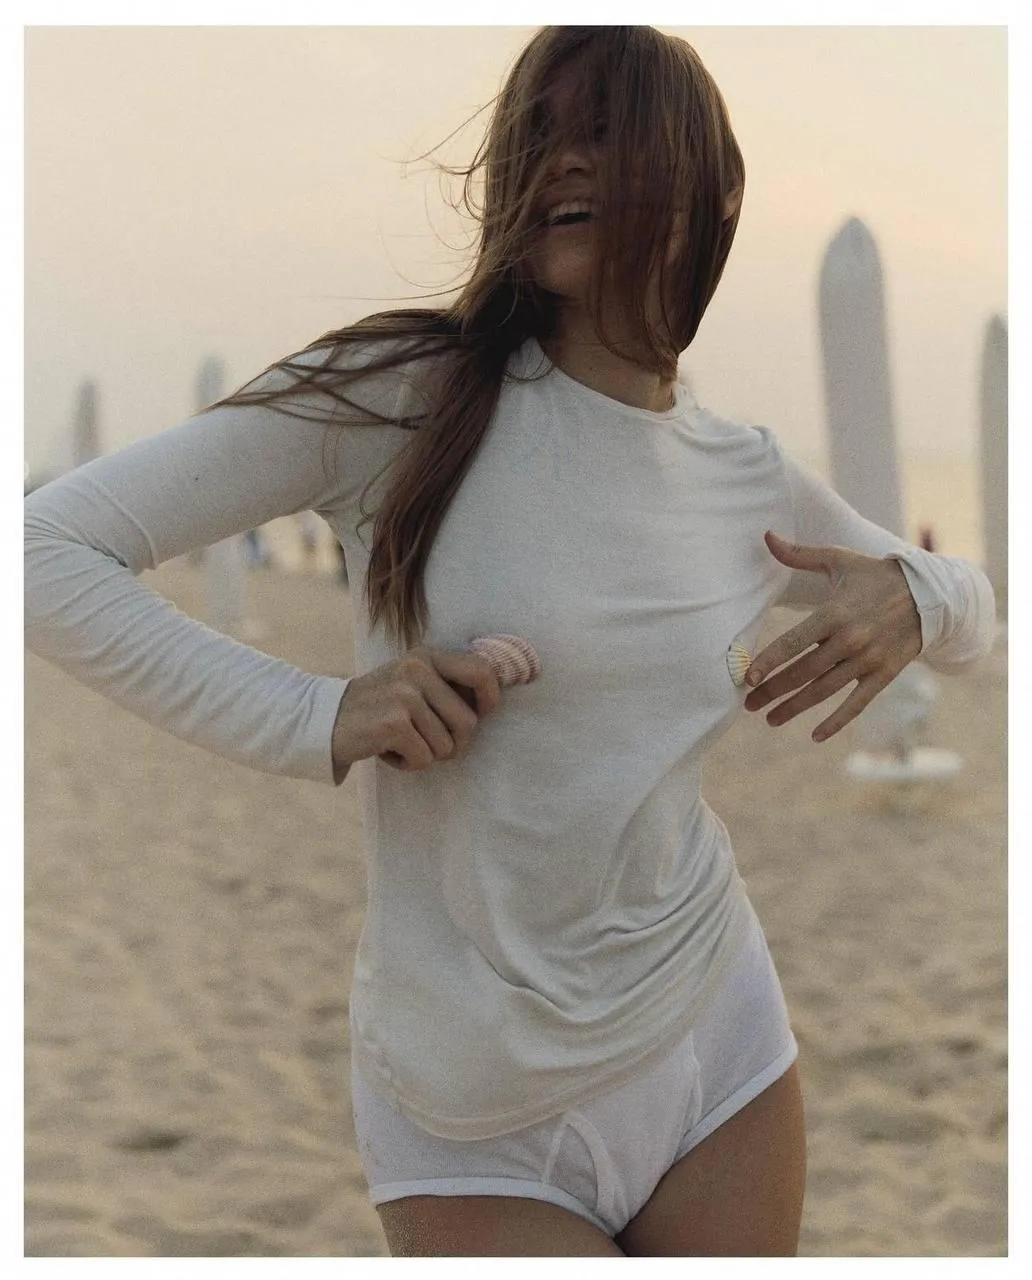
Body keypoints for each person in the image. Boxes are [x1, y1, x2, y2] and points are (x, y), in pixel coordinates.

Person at [24, 26, 995, 1257]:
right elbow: (44, 554)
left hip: (715, 1033)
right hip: (468, 1095)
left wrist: (917, 594)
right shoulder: (403, 392)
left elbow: (979, 614)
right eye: (536, 135)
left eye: (601, 129)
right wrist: (320, 713)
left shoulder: (740, 474)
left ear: (709, 188)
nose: (559, 162)